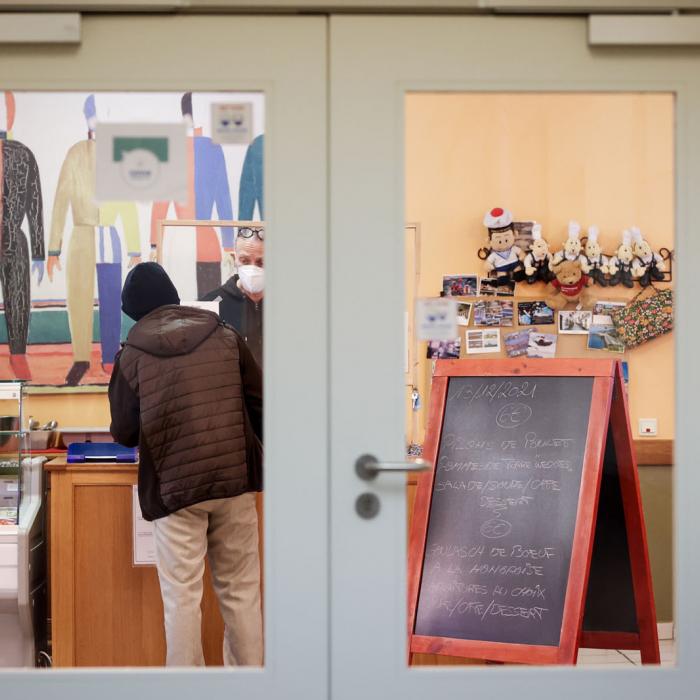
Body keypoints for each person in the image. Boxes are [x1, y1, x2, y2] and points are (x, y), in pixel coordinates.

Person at [108, 262, 263, 667]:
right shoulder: (225, 336)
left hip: (175, 491)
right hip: (234, 483)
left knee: (181, 599)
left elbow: (124, 432)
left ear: (135, 312)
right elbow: (261, 405)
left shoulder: (131, 356)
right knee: (242, 594)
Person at [200, 226, 264, 366]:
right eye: (245, 261)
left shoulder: (288, 305)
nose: (253, 269)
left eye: (261, 262)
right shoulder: (211, 304)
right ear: (235, 259)